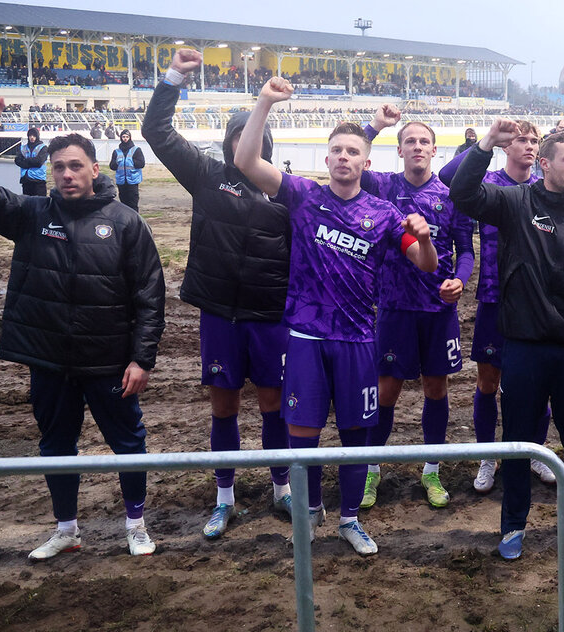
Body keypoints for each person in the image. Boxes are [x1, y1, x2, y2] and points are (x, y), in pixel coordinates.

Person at [235, 76, 438, 556]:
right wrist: (264, 102)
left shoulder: (385, 213)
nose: (344, 158)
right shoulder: (304, 197)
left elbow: (426, 266)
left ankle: (349, 520)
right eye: (337, 151)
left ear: (366, 163)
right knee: (302, 435)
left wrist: (425, 237)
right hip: (305, 337)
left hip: (357, 340)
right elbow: (244, 162)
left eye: (353, 152)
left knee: (354, 435)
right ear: (325, 160)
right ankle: (306, 518)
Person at [0, 97, 165, 559]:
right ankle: (66, 528)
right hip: (49, 360)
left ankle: (136, 524)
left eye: (75, 166)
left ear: (94, 169)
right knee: (55, 444)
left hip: (109, 362)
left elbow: (150, 298)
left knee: (128, 443)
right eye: (58, 168)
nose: (66, 174)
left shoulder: (127, 223)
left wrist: (141, 358)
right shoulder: (31, 215)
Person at [143, 49, 293, 540]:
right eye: (235, 135)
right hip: (222, 318)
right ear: (228, 142)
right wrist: (172, 80)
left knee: (273, 405)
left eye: (251, 137)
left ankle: (281, 488)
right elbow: (157, 133)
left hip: (270, 319)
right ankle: (224, 497)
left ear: (265, 144)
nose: (243, 144)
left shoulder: (286, 195)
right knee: (223, 408)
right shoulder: (207, 177)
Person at [449, 120, 564, 561]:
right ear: (543, 164)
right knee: (519, 441)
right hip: (523, 348)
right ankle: (513, 526)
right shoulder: (515, 202)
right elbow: (462, 194)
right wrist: (484, 145)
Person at [357, 106, 475, 509]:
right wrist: (375, 126)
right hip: (393, 307)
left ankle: (432, 471)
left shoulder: (449, 197)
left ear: (435, 150)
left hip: (439, 311)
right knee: (386, 390)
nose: (418, 147)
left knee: (435, 388)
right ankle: (372, 469)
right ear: (401, 150)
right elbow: (354, 154)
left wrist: (460, 279)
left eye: (424, 141)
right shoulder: (383, 186)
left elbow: (466, 251)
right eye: (411, 141)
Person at [438, 121, 556, 492]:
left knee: (538, 384)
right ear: (507, 146)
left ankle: (535, 451)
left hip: (537, 302)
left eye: (534, 140)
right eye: (521, 139)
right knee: (488, 381)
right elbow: (446, 175)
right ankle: (489, 455)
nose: (528, 146)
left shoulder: (544, 189)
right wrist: (487, 141)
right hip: (494, 297)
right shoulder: (487, 180)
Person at [109, 129, 144, 211]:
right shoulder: (116, 152)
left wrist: (131, 161)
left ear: (130, 138)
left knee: (133, 203)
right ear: (121, 138)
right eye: (123, 137)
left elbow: (141, 164)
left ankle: (135, 221)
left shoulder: (136, 150)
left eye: (127, 137)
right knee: (123, 204)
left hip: (132, 180)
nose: (125, 138)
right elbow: (112, 166)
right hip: (121, 181)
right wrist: (117, 163)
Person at [13, 126, 48, 198]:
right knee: (27, 205)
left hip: (38, 180)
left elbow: (39, 162)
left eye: (34, 135)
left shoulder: (43, 148)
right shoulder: (23, 148)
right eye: (30, 135)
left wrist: (26, 161)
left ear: (37, 136)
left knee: (40, 204)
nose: (32, 137)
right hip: (26, 180)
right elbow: (17, 161)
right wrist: (32, 161)